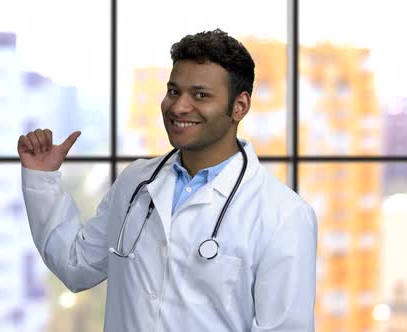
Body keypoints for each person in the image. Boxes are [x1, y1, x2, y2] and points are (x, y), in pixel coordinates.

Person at [18, 29, 317, 331]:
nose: (178, 107)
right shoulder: (136, 182)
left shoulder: (284, 215)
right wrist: (42, 178)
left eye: (200, 95)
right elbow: (77, 267)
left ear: (239, 106)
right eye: (174, 91)